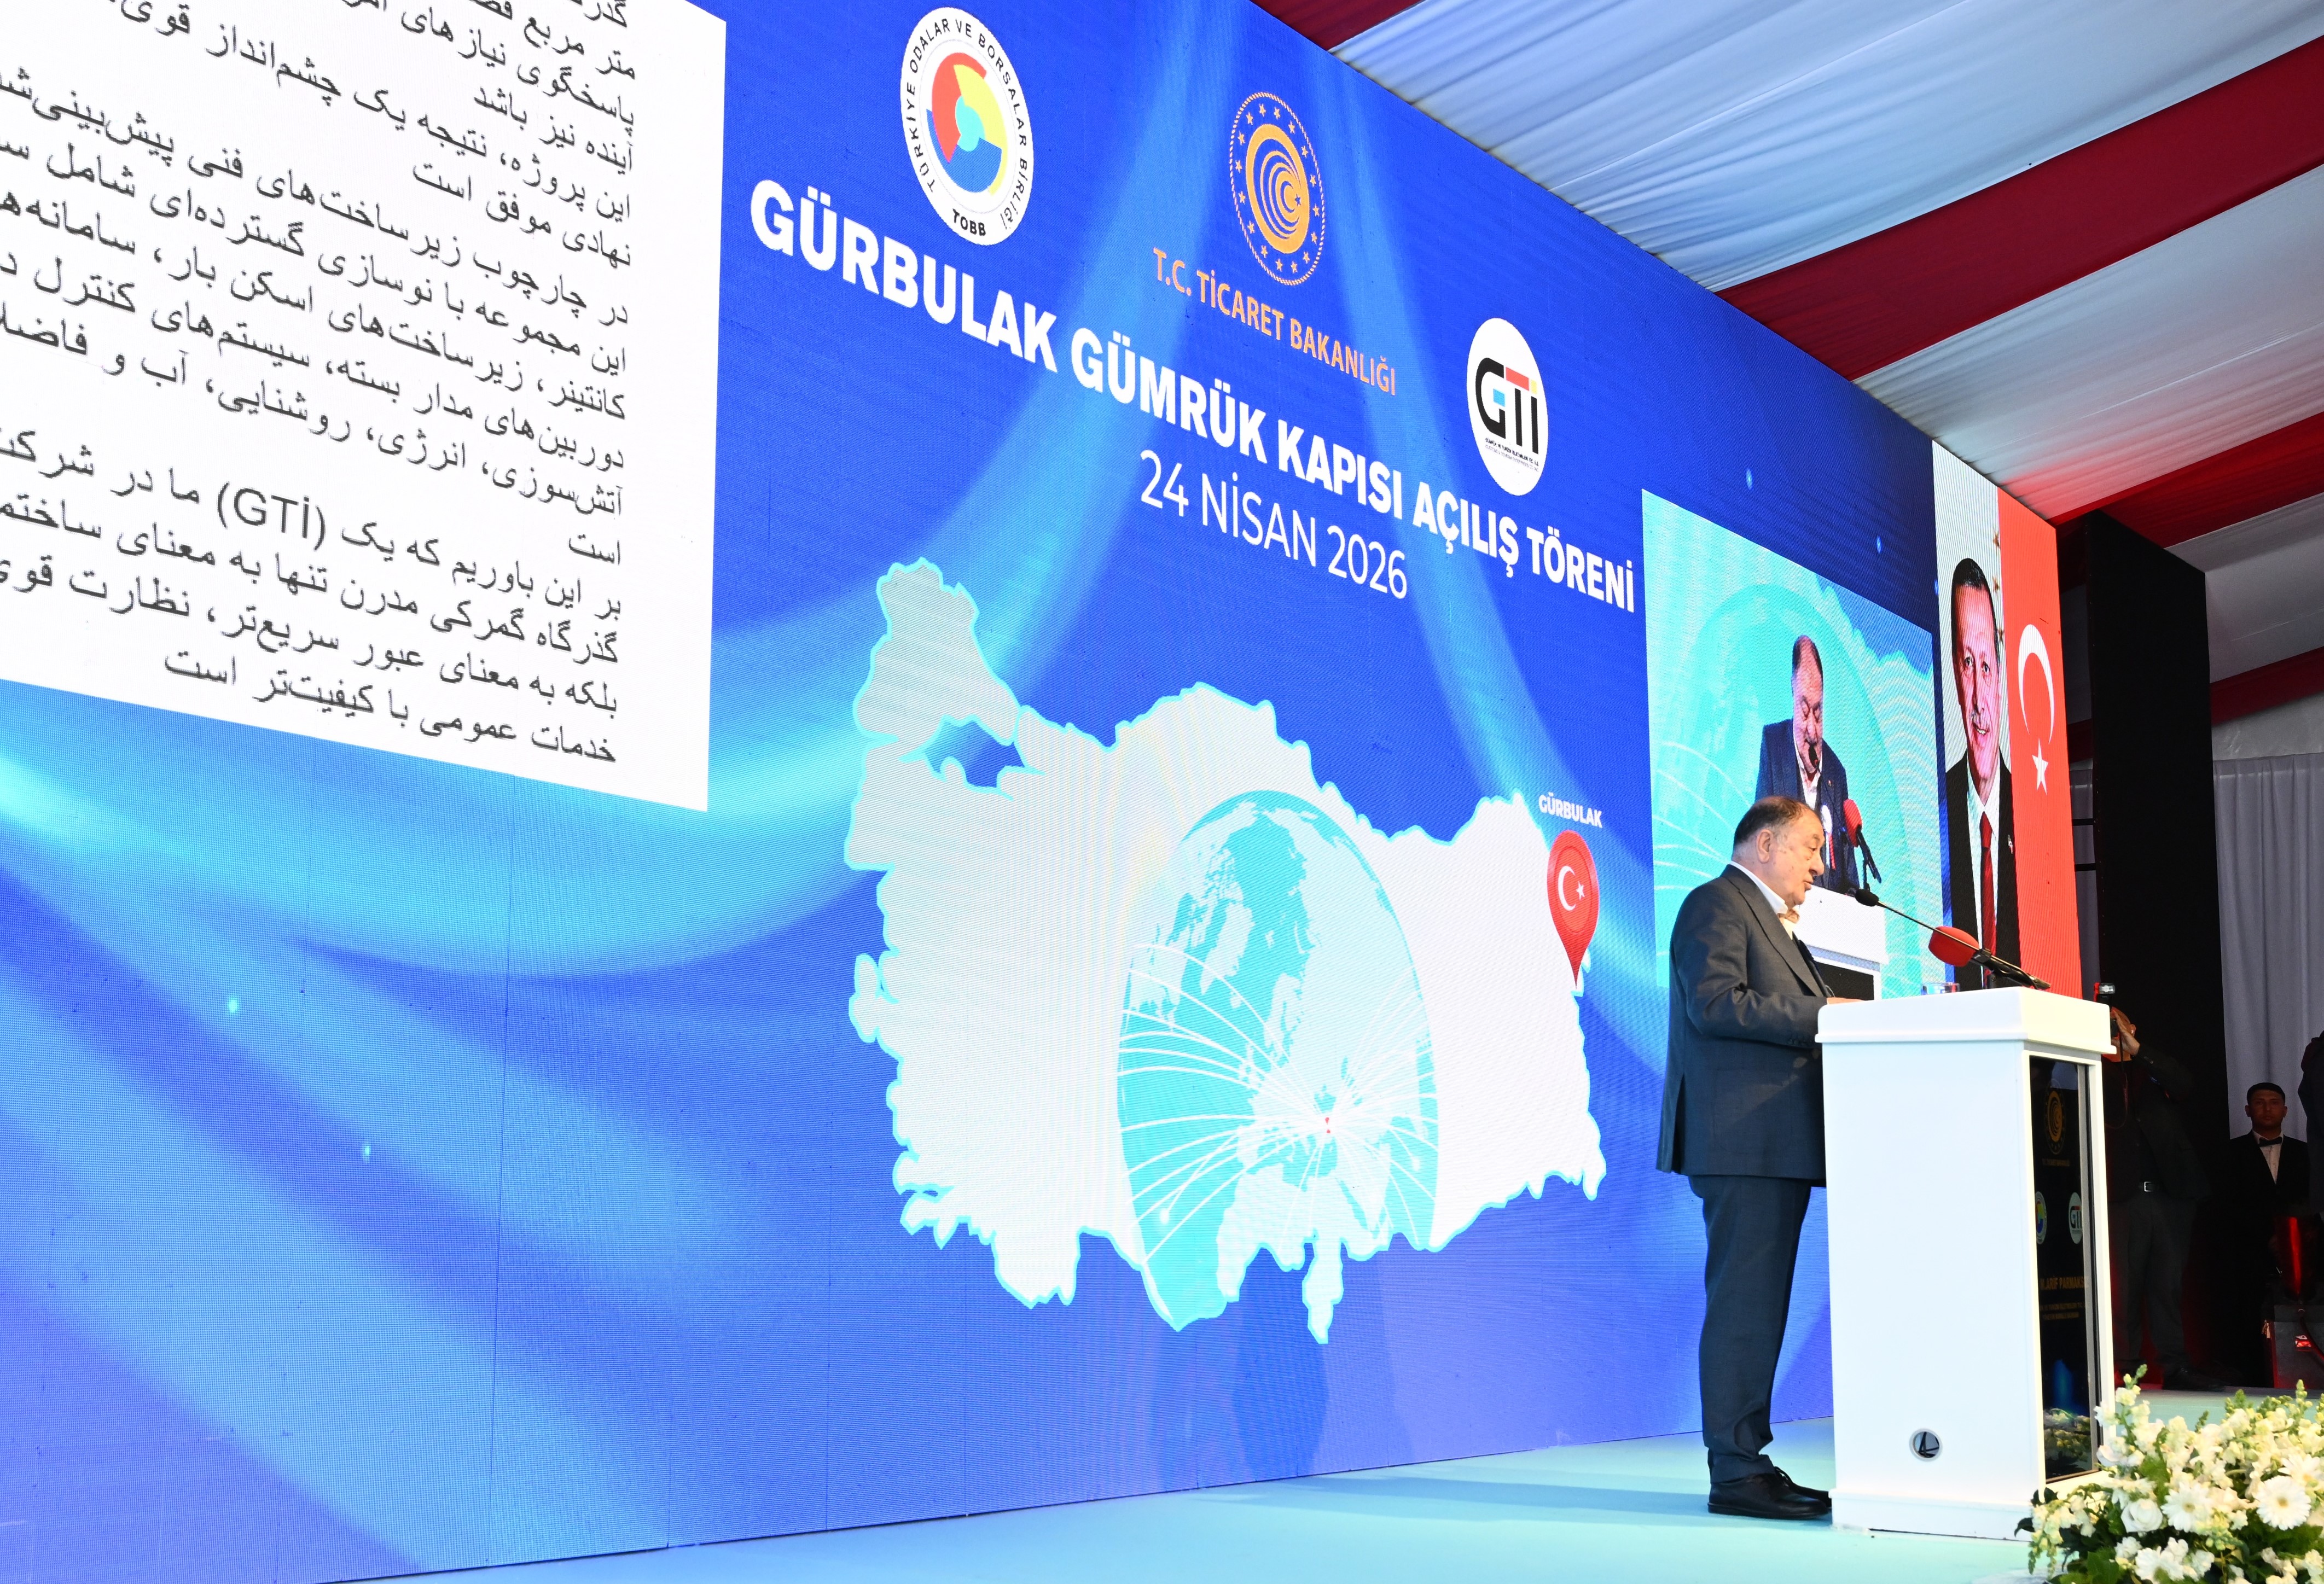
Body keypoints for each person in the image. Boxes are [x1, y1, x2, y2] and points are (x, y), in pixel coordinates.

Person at [1659, 795, 1858, 1519]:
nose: (1819, 865)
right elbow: (1714, 1004)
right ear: (1766, 843)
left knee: (1760, 1307)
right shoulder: (1715, 903)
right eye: (1810, 848)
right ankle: (1737, 1472)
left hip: (1773, 1143)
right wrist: (1826, 1014)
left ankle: (1748, 1460)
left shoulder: (1774, 923)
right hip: (1742, 1140)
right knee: (1746, 1308)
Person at [2101, 1003, 2222, 1390]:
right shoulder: (2090, 1070)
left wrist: (2136, 1050)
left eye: (2117, 1024)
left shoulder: (2153, 1068)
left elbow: (2184, 1084)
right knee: (2123, 1289)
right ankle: (2125, 1370)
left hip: (2171, 1197)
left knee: (2168, 1286)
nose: (2112, 1030)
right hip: (2122, 1199)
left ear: (2133, 1028)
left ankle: (2175, 1367)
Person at [1944, 560, 2017, 980]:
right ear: (1956, 674)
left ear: (2001, 681)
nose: (1977, 700)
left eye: (1986, 667)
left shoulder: (2032, 814)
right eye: (1968, 664)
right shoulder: (1937, 806)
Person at [1753, 636, 1857, 894]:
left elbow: (1850, 878)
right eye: (1805, 712)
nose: (1812, 730)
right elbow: (1760, 843)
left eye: (1818, 714)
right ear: (1793, 696)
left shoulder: (1836, 773)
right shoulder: (1774, 745)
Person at [2223, 1081, 2308, 1384]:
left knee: (2301, 1313)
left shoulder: (2306, 1152)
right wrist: (2266, 1237)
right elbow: (2228, 1203)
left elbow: (2309, 1201)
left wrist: (2289, 1238)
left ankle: (2301, 1376)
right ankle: (2252, 1380)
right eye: (2259, 1102)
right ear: (2248, 1110)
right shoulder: (2229, 1152)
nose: (2267, 1108)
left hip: (2300, 1250)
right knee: (2247, 1315)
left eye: (2274, 1102)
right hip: (2247, 1251)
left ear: (2286, 1110)